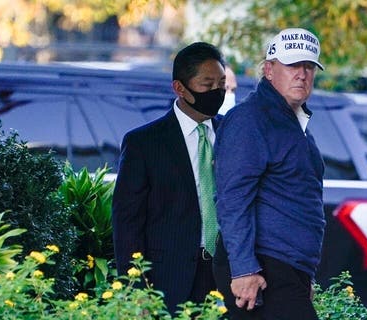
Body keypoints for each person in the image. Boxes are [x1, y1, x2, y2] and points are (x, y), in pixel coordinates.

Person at [213, 28, 326, 320]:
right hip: (263, 268)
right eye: (292, 65)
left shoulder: (294, 122)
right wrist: (244, 269)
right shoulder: (250, 119)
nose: (302, 74)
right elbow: (232, 198)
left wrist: (304, 275)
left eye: (309, 66)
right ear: (269, 70)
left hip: (286, 269)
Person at [112, 42, 226, 314]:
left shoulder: (232, 133)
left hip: (227, 275)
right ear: (180, 88)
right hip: (168, 279)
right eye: (206, 84)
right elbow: (127, 221)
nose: (216, 92)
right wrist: (136, 289)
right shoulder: (144, 143)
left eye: (221, 83)